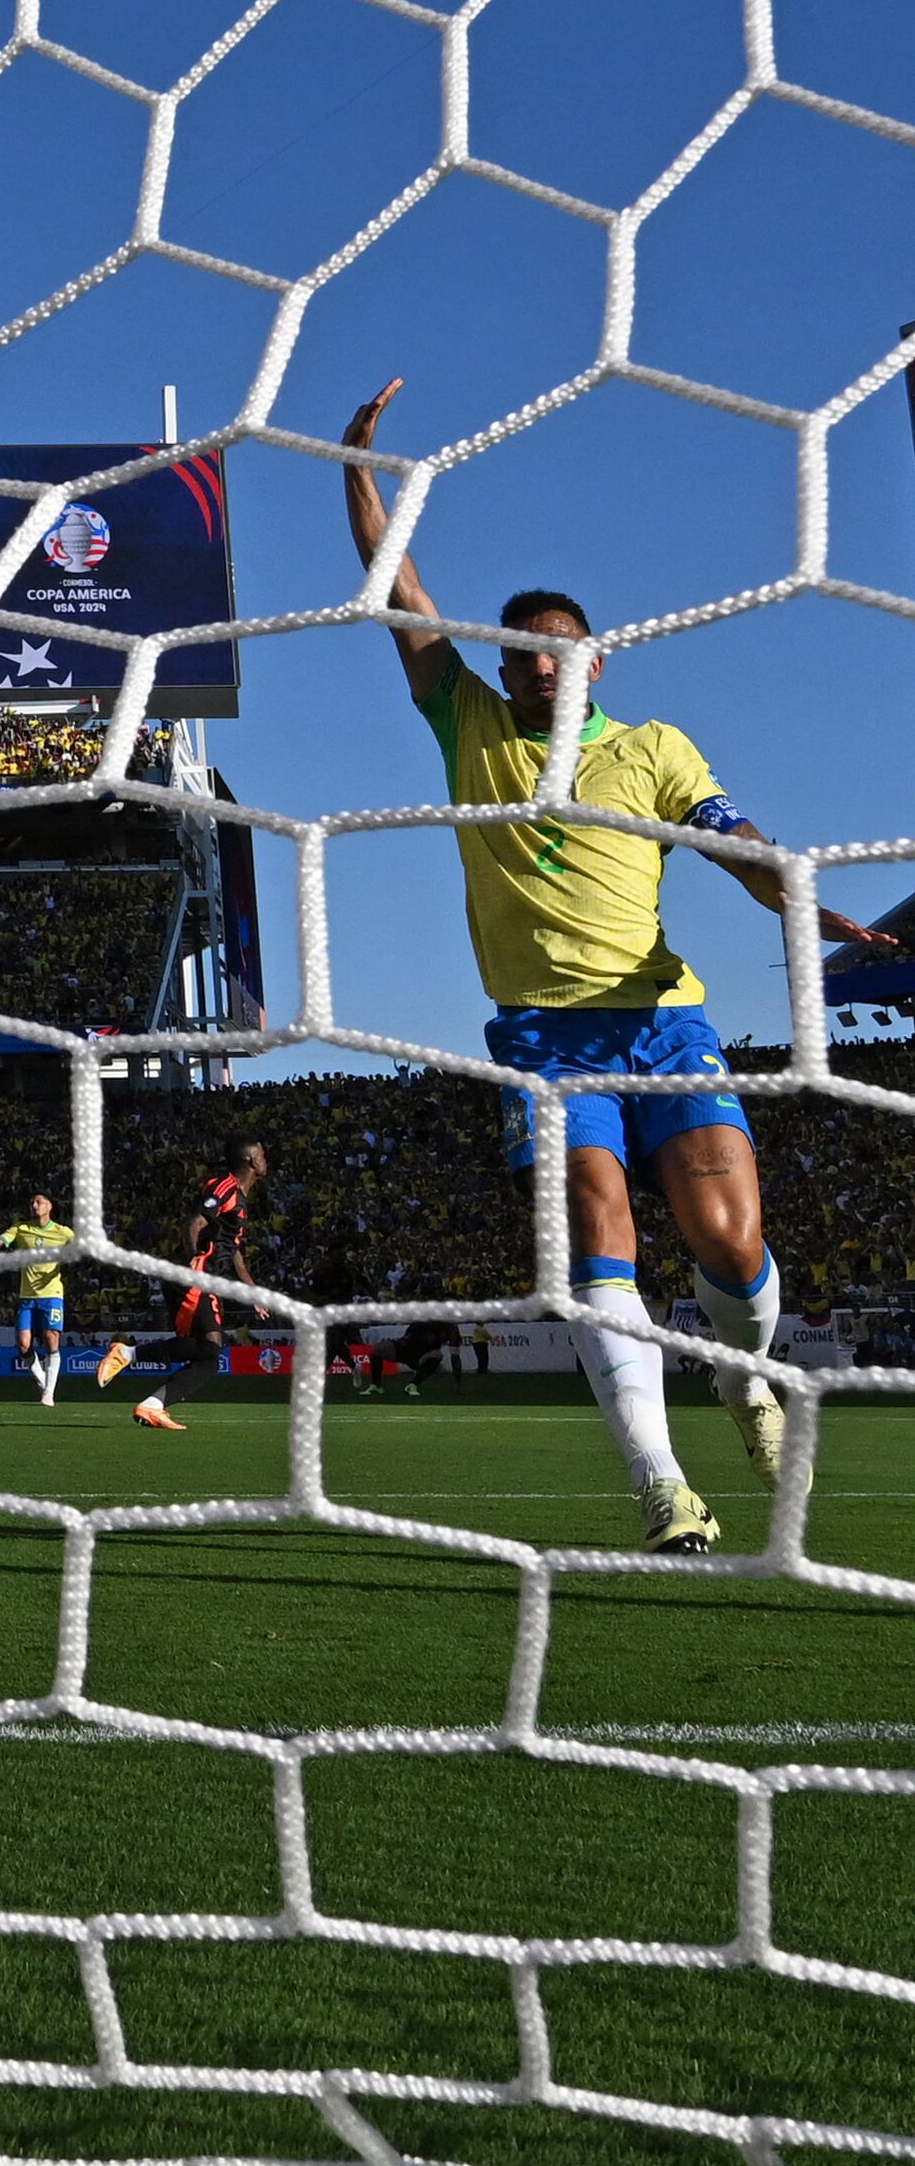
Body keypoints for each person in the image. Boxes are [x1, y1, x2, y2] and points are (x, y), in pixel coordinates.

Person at [346, 380, 794, 1553]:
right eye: (520, 659)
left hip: (660, 1021)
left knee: (728, 1244)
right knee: (597, 1226)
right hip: (541, 1038)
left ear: (592, 660)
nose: (537, 672)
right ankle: (659, 1485)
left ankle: (740, 1376)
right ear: (500, 672)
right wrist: (352, 470)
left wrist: (792, 892)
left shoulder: (651, 747)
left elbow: (730, 840)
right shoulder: (465, 724)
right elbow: (398, 594)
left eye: (556, 656)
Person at [115, 1142, 261, 1432]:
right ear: (251, 1160)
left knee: (208, 1354)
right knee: (211, 1349)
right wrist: (193, 1260)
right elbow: (194, 1223)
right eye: (262, 1154)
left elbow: (233, 1252)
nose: (266, 1159)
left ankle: (151, 1403)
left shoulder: (240, 1200)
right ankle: (130, 1359)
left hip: (206, 1279)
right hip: (197, 1276)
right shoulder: (225, 1186)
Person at [0, 1191, 77, 1403]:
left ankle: (49, 1393)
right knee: (23, 1344)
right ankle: (42, 1380)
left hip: (52, 1293)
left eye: (39, 1202)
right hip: (27, 1295)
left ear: (49, 1206)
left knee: (50, 1338)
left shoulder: (62, 1232)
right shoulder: (21, 1229)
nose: (34, 1205)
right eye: (32, 1202)